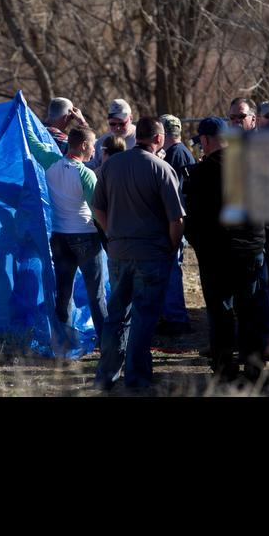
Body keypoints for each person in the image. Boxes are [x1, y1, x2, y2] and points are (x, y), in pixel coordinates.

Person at [91, 117, 185, 390]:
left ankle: (105, 378)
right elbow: (177, 219)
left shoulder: (110, 167)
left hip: (118, 252)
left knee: (116, 316)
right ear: (158, 139)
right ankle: (138, 380)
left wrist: (113, 234)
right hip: (151, 254)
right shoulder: (162, 169)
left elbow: (98, 209)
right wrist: (171, 245)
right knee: (144, 318)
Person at [184, 116, 269, 380]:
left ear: (206, 140)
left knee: (220, 311)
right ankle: (254, 367)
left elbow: (192, 219)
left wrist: (200, 247)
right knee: (251, 309)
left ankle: (224, 367)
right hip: (250, 251)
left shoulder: (200, 173)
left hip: (216, 254)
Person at [24, 118, 108, 352]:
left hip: (59, 237)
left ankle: (65, 341)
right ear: (82, 146)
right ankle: (105, 340)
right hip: (85, 237)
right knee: (96, 294)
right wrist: (112, 235)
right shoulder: (87, 175)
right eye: (92, 145)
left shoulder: (51, 162)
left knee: (64, 293)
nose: (95, 150)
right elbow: (97, 212)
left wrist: (23, 113)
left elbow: (31, 141)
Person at [156, 114, 196, 335]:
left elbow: (174, 195)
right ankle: (172, 316)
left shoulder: (176, 154)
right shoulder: (179, 152)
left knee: (172, 270)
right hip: (176, 221)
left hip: (175, 222)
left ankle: (177, 319)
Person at [86, 99, 134, 170]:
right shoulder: (102, 142)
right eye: (112, 124)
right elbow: (92, 166)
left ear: (131, 118)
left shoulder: (141, 137)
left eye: (122, 124)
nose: (117, 128)